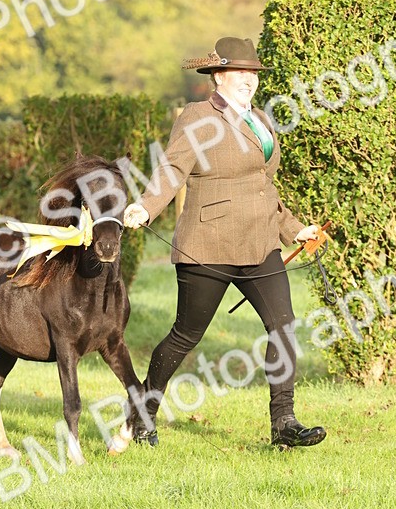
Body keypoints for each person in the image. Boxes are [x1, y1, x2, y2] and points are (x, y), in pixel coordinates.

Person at [123, 36, 327, 450]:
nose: (249, 80)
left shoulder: (260, 119)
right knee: (186, 334)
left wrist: (293, 229)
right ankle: (143, 412)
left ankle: (284, 423)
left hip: (260, 243)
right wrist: (146, 207)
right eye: (240, 73)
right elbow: (173, 167)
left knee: (283, 325)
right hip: (208, 243)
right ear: (219, 76)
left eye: (253, 73)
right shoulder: (198, 116)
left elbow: (262, 185)